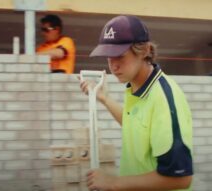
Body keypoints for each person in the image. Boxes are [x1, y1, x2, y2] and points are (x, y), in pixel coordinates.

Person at [80, 15, 193, 191]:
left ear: (145, 50)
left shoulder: (163, 97)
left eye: (120, 56)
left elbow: (180, 178)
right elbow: (133, 125)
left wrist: (113, 183)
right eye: (109, 57)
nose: (113, 66)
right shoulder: (134, 87)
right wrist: (103, 97)